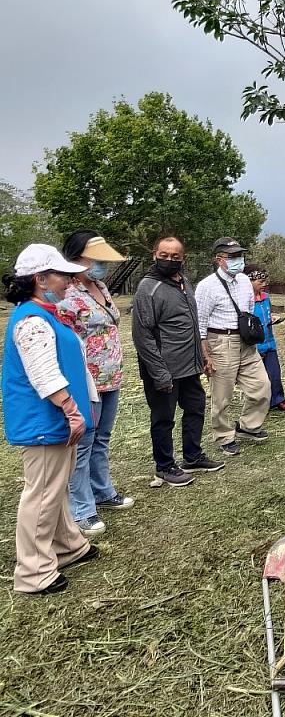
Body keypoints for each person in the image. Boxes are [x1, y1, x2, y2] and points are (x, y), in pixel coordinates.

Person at [2, 244, 99, 595]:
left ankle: (67, 546)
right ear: (40, 279)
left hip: (54, 420)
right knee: (42, 494)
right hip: (43, 421)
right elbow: (43, 372)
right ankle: (33, 571)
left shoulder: (46, 313)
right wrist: (72, 410)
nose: (69, 280)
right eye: (61, 274)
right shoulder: (31, 320)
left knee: (54, 488)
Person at [132, 236, 225, 486]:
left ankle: (192, 456)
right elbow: (143, 336)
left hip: (189, 366)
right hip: (164, 369)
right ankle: (164, 466)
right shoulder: (147, 289)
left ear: (183, 258)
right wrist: (159, 372)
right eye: (164, 255)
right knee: (163, 418)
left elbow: (193, 324)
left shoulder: (183, 281)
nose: (169, 260)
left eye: (175, 256)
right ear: (154, 254)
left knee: (195, 408)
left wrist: (203, 356)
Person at [60, 230, 134, 538]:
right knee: (85, 441)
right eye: (96, 258)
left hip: (110, 375)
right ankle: (82, 509)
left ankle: (103, 491)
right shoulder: (65, 292)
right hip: (85, 378)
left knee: (102, 437)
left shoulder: (100, 286)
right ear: (78, 257)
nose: (102, 265)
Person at [195, 237, 271, 455]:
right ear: (220, 260)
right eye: (233, 256)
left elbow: (247, 310)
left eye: (240, 255)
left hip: (244, 342)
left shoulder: (245, 281)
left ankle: (249, 425)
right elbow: (199, 321)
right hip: (220, 341)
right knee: (222, 394)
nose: (239, 260)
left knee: (262, 386)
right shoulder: (206, 286)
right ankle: (223, 435)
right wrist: (205, 353)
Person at [245, 264, 285, 412]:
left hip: (269, 341)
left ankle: (278, 399)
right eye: (260, 282)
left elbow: (265, 314)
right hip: (255, 345)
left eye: (265, 281)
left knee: (274, 373)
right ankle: (259, 405)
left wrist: (271, 318)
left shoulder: (265, 298)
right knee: (258, 379)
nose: (264, 284)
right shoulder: (244, 300)